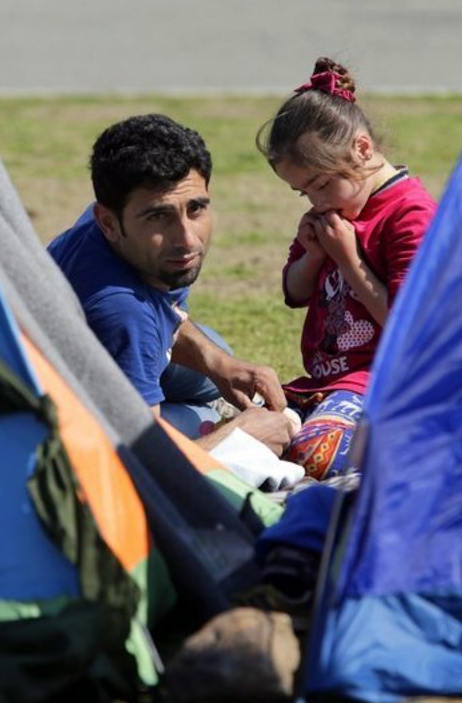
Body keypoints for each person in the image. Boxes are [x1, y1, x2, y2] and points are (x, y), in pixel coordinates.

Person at [49, 113, 294, 455]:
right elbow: (139, 474)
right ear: (108, 222)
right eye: (158, 216)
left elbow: (165, 309)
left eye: (195, 209)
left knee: (218, 352)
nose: (187, 239)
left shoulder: (110, 230)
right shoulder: (124, 316)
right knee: (196, 420)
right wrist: (240, 440)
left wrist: (217, 363)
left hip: (99, 359)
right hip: (74, 420)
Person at [257, 57, 438, 480]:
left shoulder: (411, 214)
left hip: (382, 384)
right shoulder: (337, 211)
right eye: (303, 193)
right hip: (323, 384)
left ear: (361, 148)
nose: (317, 202)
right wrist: (314, 254)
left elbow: (408, 328)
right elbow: (294, 292)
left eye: (321, 184)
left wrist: (349, 260)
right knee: (239, 435)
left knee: (314, 455)